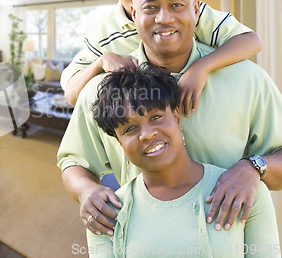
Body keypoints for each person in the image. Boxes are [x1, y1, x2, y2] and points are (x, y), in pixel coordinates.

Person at [57, 0, 282, 238]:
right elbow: (73, 161)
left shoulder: (249, 79)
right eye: (150, 8)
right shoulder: (102, 90)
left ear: (196, 9)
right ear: (133, 12)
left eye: (177, 5)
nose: (164, 18)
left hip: (229, 243)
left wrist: (255, 167)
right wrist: (85, 190)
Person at [85, 67, 279, 257]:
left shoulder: (244, 190)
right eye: (129, 129)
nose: (147, 134)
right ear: (119, 142)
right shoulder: (106, 214)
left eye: (156, 117)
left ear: (177, 117)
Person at [61, 0, 262, 113]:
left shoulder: (185, 11)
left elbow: (251, 41)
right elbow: (71, 94)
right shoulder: (102, 30)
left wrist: (201, 67)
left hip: (201, 106)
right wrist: (101, 61)